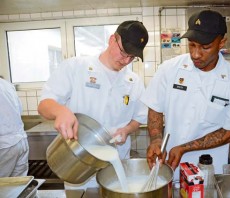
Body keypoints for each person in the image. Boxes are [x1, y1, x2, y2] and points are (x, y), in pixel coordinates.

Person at [140, 10, 230, 181]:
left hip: (208, 170)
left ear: (222, 43)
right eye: (192, 45)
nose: (195, 54)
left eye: (205, 47)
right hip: (169, 166)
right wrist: (156, 140)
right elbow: (155, 108)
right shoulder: (169, 69)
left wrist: (184, 148)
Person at [38, 20, 148, 160]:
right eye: (123, 52)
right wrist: (60, 111)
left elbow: (139, 117)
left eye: (132, 57)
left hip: (116, 158)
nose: (126, 61)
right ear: (112, 39)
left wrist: (127, 130)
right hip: (79, 158)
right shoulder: (75, 67)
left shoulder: (134, 82)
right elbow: (44, 105)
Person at [0, 77, 29, 177]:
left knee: (4, 187)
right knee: (18, 185)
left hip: (4, 146)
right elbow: (19, 110)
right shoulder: (6, 84)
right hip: (21, 141)